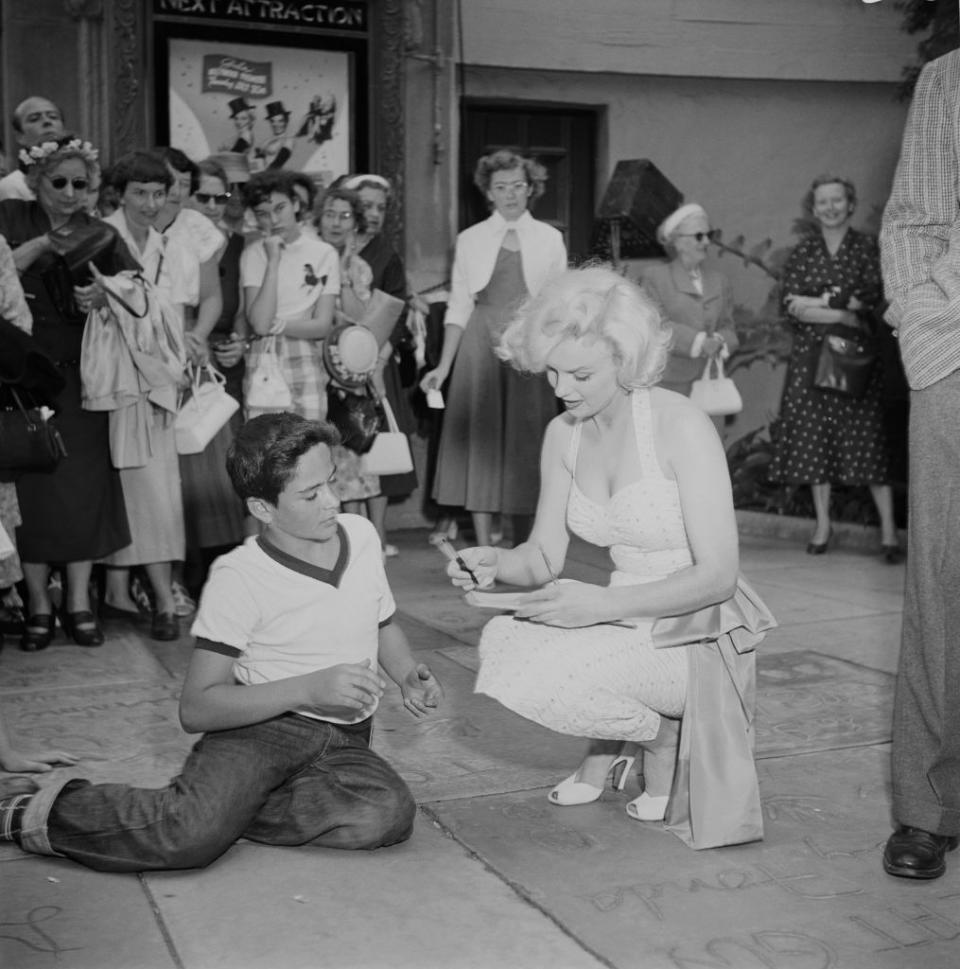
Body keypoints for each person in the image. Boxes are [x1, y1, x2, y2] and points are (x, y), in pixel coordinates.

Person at [0, 412, 443, 871]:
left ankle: (223, 810)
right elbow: (197, 708)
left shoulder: (363, 537)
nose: (332, 502)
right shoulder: (240, 576)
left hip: (345, 738)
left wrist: (408, 673)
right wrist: (309, 689)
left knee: (385, 817)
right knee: (184, 838)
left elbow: (382, 622)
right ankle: (34, 809)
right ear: (263, 509)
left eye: (331, 482)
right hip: (260, 729)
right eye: (311, 494)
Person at [444, 266, 771, 849]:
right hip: (619, 616)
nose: (563, 389)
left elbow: (718, 577)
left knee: (570, 674)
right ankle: (650, 736)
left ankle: (657, 740)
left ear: (626, 358)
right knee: (501, 645)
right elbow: (542, 557)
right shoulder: (562, 435)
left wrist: (600, 604)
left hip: (693, 632)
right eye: (552, 371)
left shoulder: (681, 425)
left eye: (581, 373)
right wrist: (495, 560)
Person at [0, 134, 131, 649]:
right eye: (60, 182)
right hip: (20, 378)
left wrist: (106, 294)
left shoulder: (101, 233)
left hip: (82, 379)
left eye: (82, 183)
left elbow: (139, 297)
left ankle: (78, 602)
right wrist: (37, 249)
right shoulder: (10, 217)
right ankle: (37, 604)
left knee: (82, 490)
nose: (71, 192)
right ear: (36, 181)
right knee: (30, 487)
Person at [879, 49, 960, 881]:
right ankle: (929, 806)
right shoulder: (952, 78)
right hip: (959, 356)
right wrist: (931, 338)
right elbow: (914, 220)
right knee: (943, 581)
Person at [420, 149, 567, 547]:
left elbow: (557, 306)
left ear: (531, 188)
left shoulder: (551, 239)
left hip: (527, 349)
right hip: (479, 349)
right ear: (488, 192)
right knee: (481, 446)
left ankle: (529, 548)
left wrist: (560, 361)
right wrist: (443, 368)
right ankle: (485, 549)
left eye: (518, 186)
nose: (510, 195)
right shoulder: (470, 240)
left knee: (528, 443)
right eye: (501, 187)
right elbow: (459, 306)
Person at [768, 175, 902, 560]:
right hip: (810, 362)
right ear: (813, 208)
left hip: (853, 360)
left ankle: (890, 535)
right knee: (816, 444)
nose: (829, 207)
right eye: (822, 201)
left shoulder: (866, 249)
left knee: (868, 443)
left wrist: (821, 305)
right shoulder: (803, 252)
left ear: (850, 203)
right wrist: (839, 307)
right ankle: (823, 526)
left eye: (837, 200)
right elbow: (791, 307)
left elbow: (869, 300)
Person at [97, 150, 192, 641]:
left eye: (159, 193)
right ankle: (137, 595)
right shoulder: (100, 236)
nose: (152, 203)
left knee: (156, 488)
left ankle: (152, 595)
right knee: (125, 486)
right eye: (141, 193)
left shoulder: (166, 245)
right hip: (112, 380)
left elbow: (173, 314)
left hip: (158, 381)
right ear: (120, 194)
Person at [344, 173, 419, 558]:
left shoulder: (386, 254)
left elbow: (399, 309)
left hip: (377, 359)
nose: (373, 214)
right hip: (338, 357)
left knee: (372, 441)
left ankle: (377, 533)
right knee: (345, 445)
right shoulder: (333, 247)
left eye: (380, 207)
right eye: (366, 205)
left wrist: (380, 359)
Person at [241, 170, 339, 422]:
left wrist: (282, 325)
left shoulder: (324, 253)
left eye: (280, 208)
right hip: (264, 357)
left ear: (295, 204)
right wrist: (273, 260)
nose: (274, 220)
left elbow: (322, 325)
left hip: (306, 356)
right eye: (264, 214)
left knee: (309, 446)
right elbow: (261, 324)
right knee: (265, 450)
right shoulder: (254, 254)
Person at [317, 185, 386, 539]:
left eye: (345, 216)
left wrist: (340, 272)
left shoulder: (358, 268)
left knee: (353, 462)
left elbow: (361, 318)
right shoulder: (308, 256)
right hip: (312, 367)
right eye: (330, 214)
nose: (336, 223)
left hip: (346, 372)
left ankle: (358, 543)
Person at [638, 203, 739, 396]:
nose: (706, 242)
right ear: (676, 241)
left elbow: (730, 328)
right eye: (698, 236)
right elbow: (654, 326)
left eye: (709, 235)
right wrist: (698, 342)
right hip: (670, 384)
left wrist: (719, 340)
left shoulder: (720, 281)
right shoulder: (654, 278)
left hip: (712, 384)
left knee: (710, 428)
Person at [0, 96, 65, 202]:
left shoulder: (84, 175)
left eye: (53, 117)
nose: (47, 121)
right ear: (20, 136)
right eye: (34, 119)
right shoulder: (13, 185)